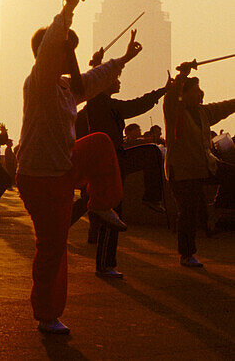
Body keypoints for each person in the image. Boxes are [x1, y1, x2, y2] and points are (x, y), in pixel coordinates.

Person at [16, 0, 139, 335]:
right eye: (60, 51)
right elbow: (53, 44)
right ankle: (47, 314)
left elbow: (96, 77)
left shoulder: (66, 88)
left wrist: (124, 59)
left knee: (100, 143)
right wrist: (69, 8)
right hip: (39, 178)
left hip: (64, 167)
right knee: (52, 248)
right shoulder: (36, 83)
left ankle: (100, 204)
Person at [73, 41, 166, 277]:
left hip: (118, 159)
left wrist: (162, 91)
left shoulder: (107, 104)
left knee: (153, 153)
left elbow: (136, 104)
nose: (119, 81)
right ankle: (105, 264)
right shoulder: (98, 102)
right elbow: (134, 103)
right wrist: (97, 65)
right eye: (114, 78)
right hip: (106, 165)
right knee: (113, 212)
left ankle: (151, 198)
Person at [163, 61, 235, 268]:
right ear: (184, 95)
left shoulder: (204, 113)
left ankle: (219, 210)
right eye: (196, 91)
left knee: (232, 175)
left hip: (205, 167)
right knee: (188, 213)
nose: (201, 94)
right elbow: (171, 96)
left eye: (201, 90)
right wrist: (182, 76)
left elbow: (226, 106)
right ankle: (186, 255)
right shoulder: (174, 110)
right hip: (182, 172)